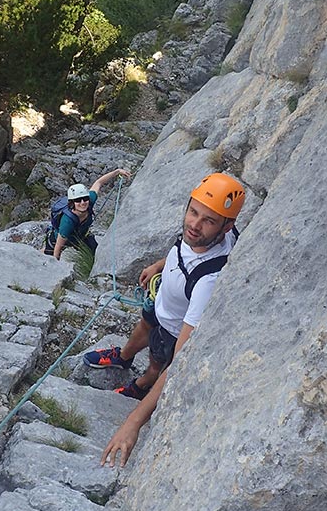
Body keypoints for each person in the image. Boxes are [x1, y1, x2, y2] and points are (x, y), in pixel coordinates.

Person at [83, 172, 245, 467]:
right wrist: (160, 265)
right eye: (193, 212)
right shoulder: (205, 235)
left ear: (227, 226)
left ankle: (143, 383)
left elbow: (179, 362)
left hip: (173, 328)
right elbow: (183, 247)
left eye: (208, 220)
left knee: (159, 360)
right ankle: (123, 356)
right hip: (162, 301)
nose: (194, 224)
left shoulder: (210, 280)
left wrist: (133, 423)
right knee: (144, 325)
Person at [46, 168, 131, 260]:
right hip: (61, 240)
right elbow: (58, 246)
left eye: (85, 198)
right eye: (78, 200)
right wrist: (55, 264)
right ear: (72, 203)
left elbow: (98, 183)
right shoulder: (67, 221)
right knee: (47, 255)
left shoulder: (90, 201)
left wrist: (117, 172)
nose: (83, 202)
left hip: (82, 236)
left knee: (96, 253)